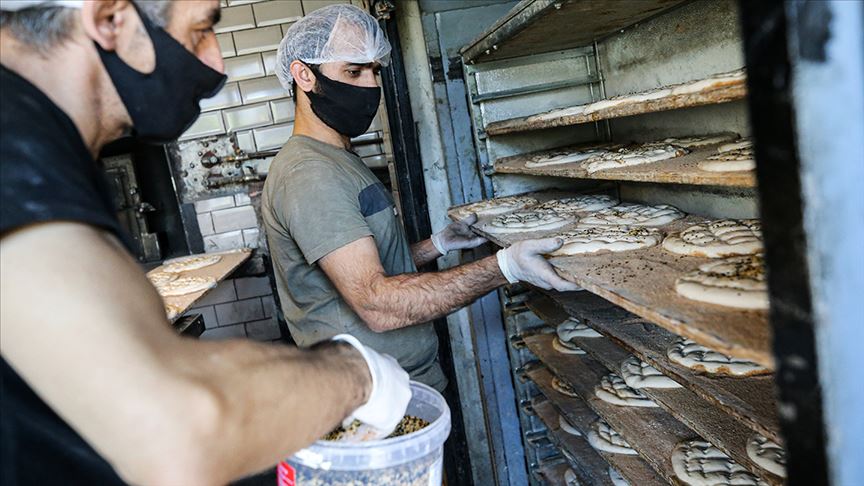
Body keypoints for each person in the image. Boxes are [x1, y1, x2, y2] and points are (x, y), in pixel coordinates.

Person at [0, 1, 410, 484]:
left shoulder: (48, 147)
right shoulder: (15, 156)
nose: (216, 65)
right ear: (110, 19)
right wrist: (354, 373)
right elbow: (172, 433)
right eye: (200, 31)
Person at [262, 5, 581, 391]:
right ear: (304, 75)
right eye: (353, 71)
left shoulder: (337, 158)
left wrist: (437, 245)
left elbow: (363, 266)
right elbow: (377, 305)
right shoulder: (310, 173)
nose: (370, 86)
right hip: (373, 403)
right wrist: (506, 268)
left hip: (399, 386)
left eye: (374, 71)